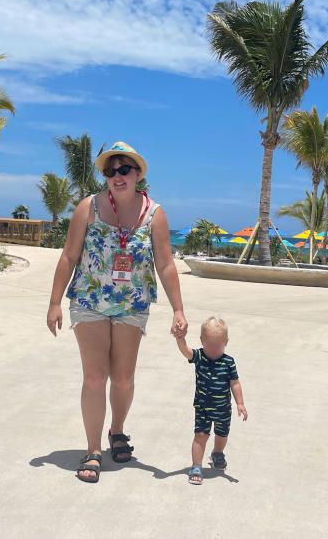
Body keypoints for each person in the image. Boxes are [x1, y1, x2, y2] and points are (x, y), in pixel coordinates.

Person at [47, 142, 188, 483]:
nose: (117, 176)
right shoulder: (89, 207)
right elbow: (69, 255)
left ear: (138, 174)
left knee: (123, 377)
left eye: (124, 169)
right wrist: (54, 302)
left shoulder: (155, 213)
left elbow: (166, 263)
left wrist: (178, 309)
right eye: (111, 171)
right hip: (88, 300)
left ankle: (117, 431)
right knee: (95, 376)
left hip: (133, 303)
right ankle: (93, 449)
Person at [174, 316, 247, 485]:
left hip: (223, 409)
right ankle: (196, 466)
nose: (213, 350)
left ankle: (218, 453)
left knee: (222, 434)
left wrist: (240, 403)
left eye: (218, 346)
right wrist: (180, 338)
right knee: (200, 435)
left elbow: (234, 383)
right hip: (203, 407)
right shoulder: (200, 356)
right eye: (209, 345)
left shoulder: (229, 362)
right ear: (202, 340)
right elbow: (186, 351)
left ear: (226, 342)